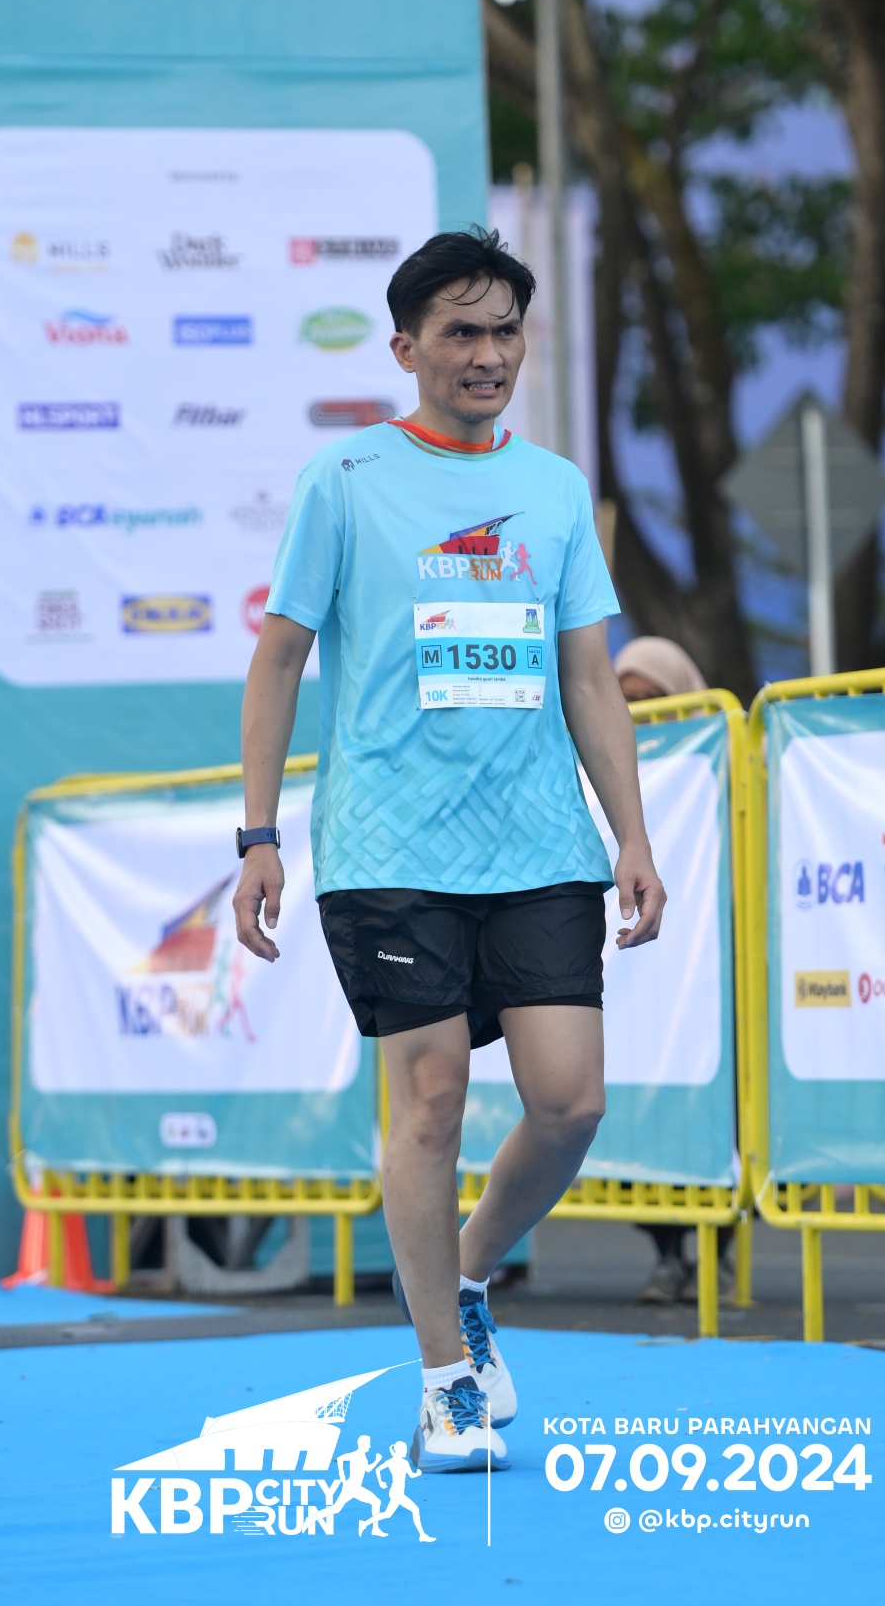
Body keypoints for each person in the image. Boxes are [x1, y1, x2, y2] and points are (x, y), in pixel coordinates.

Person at [233, 227, 666, 1472]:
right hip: (388, 846)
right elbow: (279, 658)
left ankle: (462, 1273)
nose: (486, 353)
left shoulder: (554, 490)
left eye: (503, 331)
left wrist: (630, 834)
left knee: (570, 1102)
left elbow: (588, 676)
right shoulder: (344, 479)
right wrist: (258, 834)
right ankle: (441, 1381)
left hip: (540, 845)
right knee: (427, 1100)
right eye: (460, 331)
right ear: (405, 348)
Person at [613, 635, 732, 1306]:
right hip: (640, 975)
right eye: (623, 702)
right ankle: (667, 1255)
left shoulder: (730, 763)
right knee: (637, 1112)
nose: (639, 717)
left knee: (720, 1110)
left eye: (653, 701)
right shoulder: (599, 776)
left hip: (713, 970)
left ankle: (718, 1253)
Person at [376, 1440, 437, 1540]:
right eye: (404, 1450)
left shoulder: (396, 1462)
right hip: (397, 1493)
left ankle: (365, 1523)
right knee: (415, 1510)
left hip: (396, 1492)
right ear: (399, 1450)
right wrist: (418, 1473)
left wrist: (381, 1482)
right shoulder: (402, 1463)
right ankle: (422, 1535)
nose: (406, 1452)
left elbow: (378, 1469)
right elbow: (412, 1475)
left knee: (387, 1514)